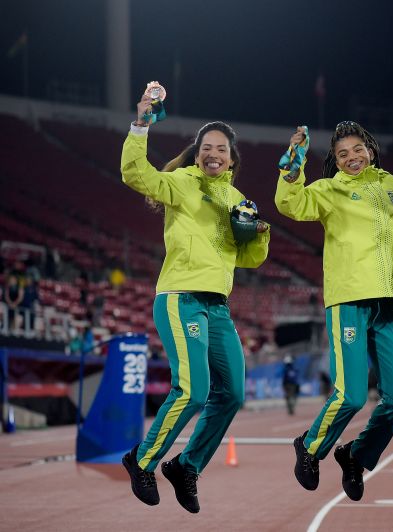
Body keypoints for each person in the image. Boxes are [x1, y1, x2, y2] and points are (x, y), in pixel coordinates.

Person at [276, 121, 393, 501]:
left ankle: (357, 455)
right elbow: (290, 204)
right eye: (342, 154)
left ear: (370, 151)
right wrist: (294, 163)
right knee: (352, 395)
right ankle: (310, 447)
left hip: (389, 302)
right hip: (350, 300)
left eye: (357, 150)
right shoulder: (328, 190)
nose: (351, 157)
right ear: (336, 162)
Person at [119, 86, 270, 513]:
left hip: (217, 306)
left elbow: (250, 259)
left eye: (222, 148)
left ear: (232, 158)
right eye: (207, 147)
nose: (214, 153)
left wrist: (260, 234)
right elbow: (136, 175)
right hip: (181, 296)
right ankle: (142, 458)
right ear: (198, 152)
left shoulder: (239, 200)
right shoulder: (183, 183)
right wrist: (141, 124)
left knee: (233, 394)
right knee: (193, 390)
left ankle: (187, 466)